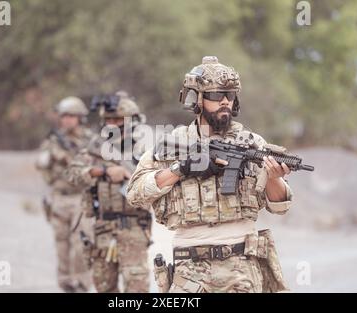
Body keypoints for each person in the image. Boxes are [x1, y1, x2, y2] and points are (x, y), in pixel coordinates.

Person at [126, 56, 293, 293]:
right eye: (216, 95)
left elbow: (280, 207)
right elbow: (135, 194)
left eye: (230, 95)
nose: (225, 101)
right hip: (189, 268)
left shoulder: (252, 144)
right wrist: (181, 169)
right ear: (197, 98)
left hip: (241, 264)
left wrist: (274, 176)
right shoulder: (174, 144)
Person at [66, 91, 152, 293]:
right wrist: (102, 171)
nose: (112, 124)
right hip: (102, 229)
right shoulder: (95, 148)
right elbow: (71, 174)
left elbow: (158, 182)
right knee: (104, 287)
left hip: (134, 228)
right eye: (108, 119)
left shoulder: (145, 150)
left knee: (137, 289)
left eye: (117, 119)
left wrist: (130, 176)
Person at [35, 96, 93, 292]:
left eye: (71, 116)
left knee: (81, 244)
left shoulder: (89, 140)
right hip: (60, 197)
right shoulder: (53, 141)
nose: (66, 120)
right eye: (63, 116)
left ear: (80, 118)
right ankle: (66, 284)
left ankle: (82, 284)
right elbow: (42, 166)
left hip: (81, 198)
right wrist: (53, 160)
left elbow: (94, 166)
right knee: (61, 245)